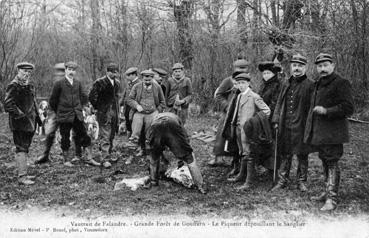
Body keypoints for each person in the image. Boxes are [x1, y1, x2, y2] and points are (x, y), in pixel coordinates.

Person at [304, 53, 354, 211]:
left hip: (334, 132)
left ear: (333, 65)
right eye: (319, 66)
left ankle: (332, 198)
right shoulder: (318, 83)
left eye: (326, 65)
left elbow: (348, 107)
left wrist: (327, 111)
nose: (322, 69)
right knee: (325, 160)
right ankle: (327, 192)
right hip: (321, 132)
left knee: (332, 162)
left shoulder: (341, 83)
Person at [271, 54, 314, 192]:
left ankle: (301, 182)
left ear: (305, 68)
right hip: (286, 124)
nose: (297, 68)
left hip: (301, 126)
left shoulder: (310, 85)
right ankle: (282, 180)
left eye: (300, 66)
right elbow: (279, 102)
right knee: (285, 153)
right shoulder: (286, 83)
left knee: (302, 154)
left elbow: (312, 109)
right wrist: (276, 119)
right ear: (291, 67)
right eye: (294, 65)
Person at [225, 73, 271, 190]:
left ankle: (249, 182)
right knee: (242, 152)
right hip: (238, 128)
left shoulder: (254, 96)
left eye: (243, 83)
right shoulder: (239, 95)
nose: (241, 86)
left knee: (249, 153)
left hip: (248, 131)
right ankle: (241, 175)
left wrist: (254, 122)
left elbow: (267, 111)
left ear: (248, 83)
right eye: (239, 83)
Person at [145, 112, 206, 194]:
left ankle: (154, 183)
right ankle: (200, 186)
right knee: (189, 158)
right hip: (171, 125)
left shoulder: (153, 119)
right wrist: (183, 155)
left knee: (154, 157)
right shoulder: (176, 118)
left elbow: (149, 141)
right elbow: (185, 138)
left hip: (156, 127)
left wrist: (153, 153)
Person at [48, 61, 95, 167]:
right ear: (65, 70)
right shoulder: (59, 84)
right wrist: (60, 111)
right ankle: (66, 160)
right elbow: (53, 101)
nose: (71, 72)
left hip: (77, 115)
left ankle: (89, 158)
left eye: (73, 70)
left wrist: (80, 107)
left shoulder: (78, 83)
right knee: (65, 137)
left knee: (84, 135)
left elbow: (84, 97)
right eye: (69, 69)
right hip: (64, 116)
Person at [210, 59, 250, 173]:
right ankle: (218, 157)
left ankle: (238, 162)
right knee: (222, 134)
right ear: (234, 69)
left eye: (244, 68)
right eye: (239, 68)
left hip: (243, 114)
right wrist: (227, 106)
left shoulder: (249, 81)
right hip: (228, 113)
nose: (241, 70)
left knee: (241, 138)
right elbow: (218, 95)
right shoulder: (228, 80)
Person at [4, 62, 41, 185]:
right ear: (18, 71)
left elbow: (34, 103)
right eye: (24, 71)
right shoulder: (14, 86)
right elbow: (8, 104)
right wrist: (21, 116)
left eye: (29, 72)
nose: (27, 74)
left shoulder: (29, 85)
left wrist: (38, 119)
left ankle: (23, 173)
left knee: (25, 148)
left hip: (30, 123)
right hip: (19, 124)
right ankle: (22, 177)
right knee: (21, 148)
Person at [89, 63, 121, 168]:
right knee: (105, 135)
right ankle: (104, 159)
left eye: (116, 72)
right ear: (108, 72)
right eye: (113, 72)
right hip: (104, 112)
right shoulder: (99, 82)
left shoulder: (117, 83)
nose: (115, 74)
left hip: (114, 112)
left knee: (112, 134)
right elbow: (92, 97)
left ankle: (109, 153)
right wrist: (99, 108)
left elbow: (117, 98)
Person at [126, 70, 166, 155]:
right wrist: (137, 106)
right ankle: (134, 143)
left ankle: (150, 149)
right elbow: (129, 99)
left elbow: (163, 102)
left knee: (150, 131)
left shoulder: (157, 87)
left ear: (152, 78)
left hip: (152, 112)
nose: (147, 81)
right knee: (137, 125)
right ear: (142, 78)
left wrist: (157, 111)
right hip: (139, 112)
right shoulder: (137, 86)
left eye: (149, 80)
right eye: (145, 79)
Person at [35, 63, 65, 164]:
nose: (59, 74)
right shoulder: (54, 83)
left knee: (72, 132)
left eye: (62, 72)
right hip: (54, 112)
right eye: (58, 72)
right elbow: (52, 99)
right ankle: (45, 154)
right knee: (50, 132)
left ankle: (73, 155)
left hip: (67, 111)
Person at [256, 61, 282, 174]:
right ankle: (266, 166)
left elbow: (275, 102)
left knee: (273, 143)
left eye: (268, 73)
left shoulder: (278, 85)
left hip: (271, 117)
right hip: (261, 117)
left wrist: (268, 116)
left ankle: (273, 168)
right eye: (264, 73)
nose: (265, 75)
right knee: (263, 142)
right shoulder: (263, 85)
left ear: (274, 74)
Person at [122, 67, 140, 138]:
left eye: (128, 75)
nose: (127, 77)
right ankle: (129, 138)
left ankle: (134, 139)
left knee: (133, 122)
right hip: (127, 106)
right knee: (128, 122)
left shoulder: (139, 83)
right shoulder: (129, 83)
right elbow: (125, 94)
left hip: (134, 107)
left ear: (134, 75)